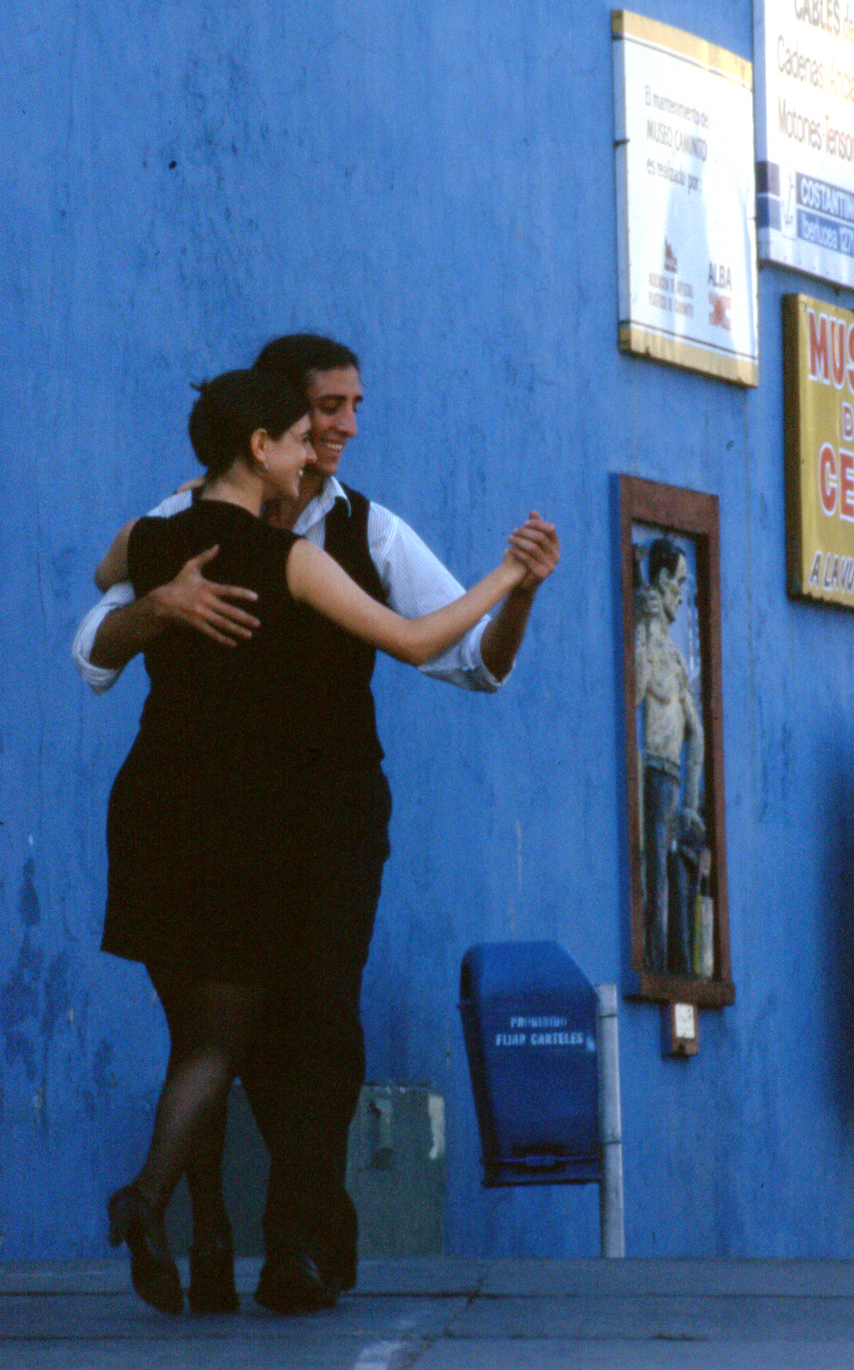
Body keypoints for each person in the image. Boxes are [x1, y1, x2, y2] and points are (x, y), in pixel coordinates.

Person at [73, 335, 560, 1313]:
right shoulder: (275, 551)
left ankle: (265, 1240)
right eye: (320, 416)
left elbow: (474, 663)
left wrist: (522, 594)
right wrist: (505, 572)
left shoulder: (326, 529)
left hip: (274, 809)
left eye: (349, 409)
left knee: (279, 1021)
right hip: (234, 817)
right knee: (223, 1031)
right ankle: (190, 1219)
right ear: (265, 433)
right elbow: (98, 640)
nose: (339, 432)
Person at [634, 537, 704, 974]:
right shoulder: (649, 639)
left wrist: (692, 805)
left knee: (677, 875)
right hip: (654, 774)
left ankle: (677, 968)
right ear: (661, 580)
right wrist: (644, 625)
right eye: (679, 582)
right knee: (655, 876)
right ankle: (657, 969)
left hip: (674, 783)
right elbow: (635, 693)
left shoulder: (678, 660)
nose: (682, 593)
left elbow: (697, 733)